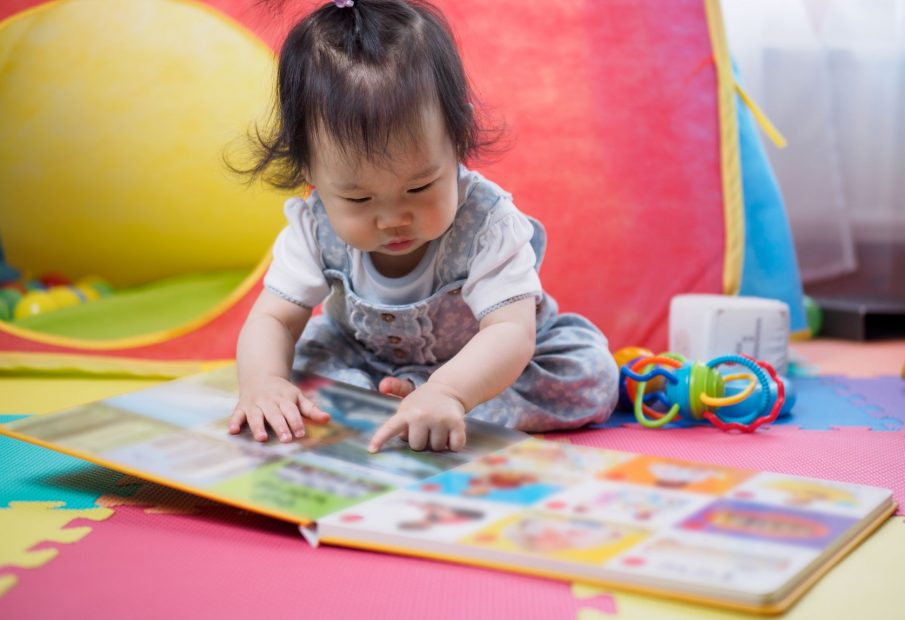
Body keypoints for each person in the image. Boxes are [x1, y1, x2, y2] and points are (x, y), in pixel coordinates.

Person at [228, 0, 619, 453]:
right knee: (310, 372)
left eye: (419, 187)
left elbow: (510, 332)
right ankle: (401, 403)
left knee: (590, 374)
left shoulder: (487, 222)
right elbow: (274, 318)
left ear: (458, 140)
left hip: (488, 365)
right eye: (358, 199)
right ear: (310, 172)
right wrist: (264, 384)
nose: (393, 218)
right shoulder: (314, 226)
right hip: (365, 358)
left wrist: (449, 390)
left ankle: (428, 405)